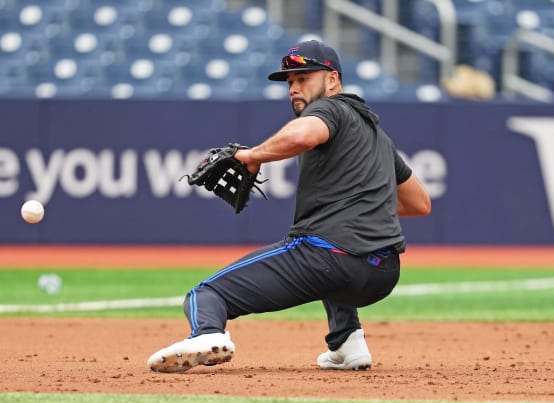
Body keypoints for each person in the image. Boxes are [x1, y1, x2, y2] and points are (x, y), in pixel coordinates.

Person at [147, 39, 431, 373]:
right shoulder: (377, 135)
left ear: (332, 80)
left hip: (327, 260)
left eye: (303, 77)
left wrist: (252, 155)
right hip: (382, 272)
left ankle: (207, 333)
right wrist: (363, 202)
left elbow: (302, 136)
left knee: (205, 294)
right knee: (335, 253)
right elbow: (419, 203)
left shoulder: (330, 109)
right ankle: (347, 343)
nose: (294, 87)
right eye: (290, 81)